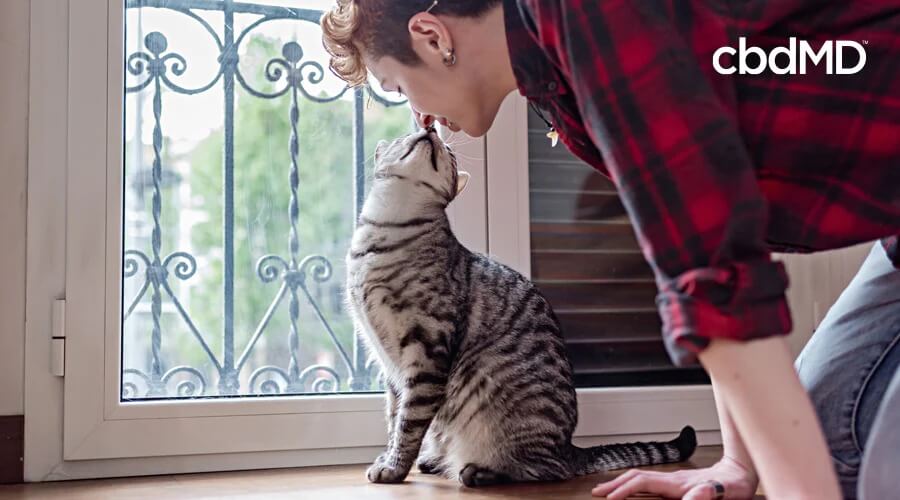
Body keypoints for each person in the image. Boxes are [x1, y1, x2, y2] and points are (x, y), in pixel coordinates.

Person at [320, 1, 900, 498]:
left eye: (397, 86)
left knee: (866, 464)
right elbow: (712, 228)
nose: (417, 117)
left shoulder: (589, 17)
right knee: (830, 438)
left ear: (432, 35)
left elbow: (714, 274)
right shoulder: (554, 88)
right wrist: (738, 465)